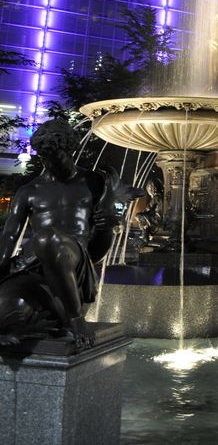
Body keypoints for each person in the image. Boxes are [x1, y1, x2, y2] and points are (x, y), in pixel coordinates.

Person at [0, 118, 144, 348]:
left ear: (71, 150)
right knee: (7, 312)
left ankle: (75, 318)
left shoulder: (95, 182)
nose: (48, 164)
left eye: (55, 157)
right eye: (44, 158)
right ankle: (53, 317)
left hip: (74, 259)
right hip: (30, 265)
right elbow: (8, 235)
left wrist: (108, 225)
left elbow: (99, 248)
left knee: (49, 237)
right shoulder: (29, 191)